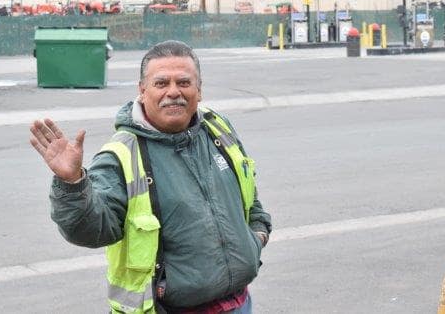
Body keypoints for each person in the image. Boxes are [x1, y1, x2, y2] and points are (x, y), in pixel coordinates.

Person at [30, 40, 272, 313]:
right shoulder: (121, 155)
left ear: (199, 90)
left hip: (239, 303)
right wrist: (71, 184)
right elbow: (91, 230)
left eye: (184, 82)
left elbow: (247, 194)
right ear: (142, 91)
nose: (173, 92)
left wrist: (257, 236)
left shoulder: (218, 128)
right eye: (161, 83)